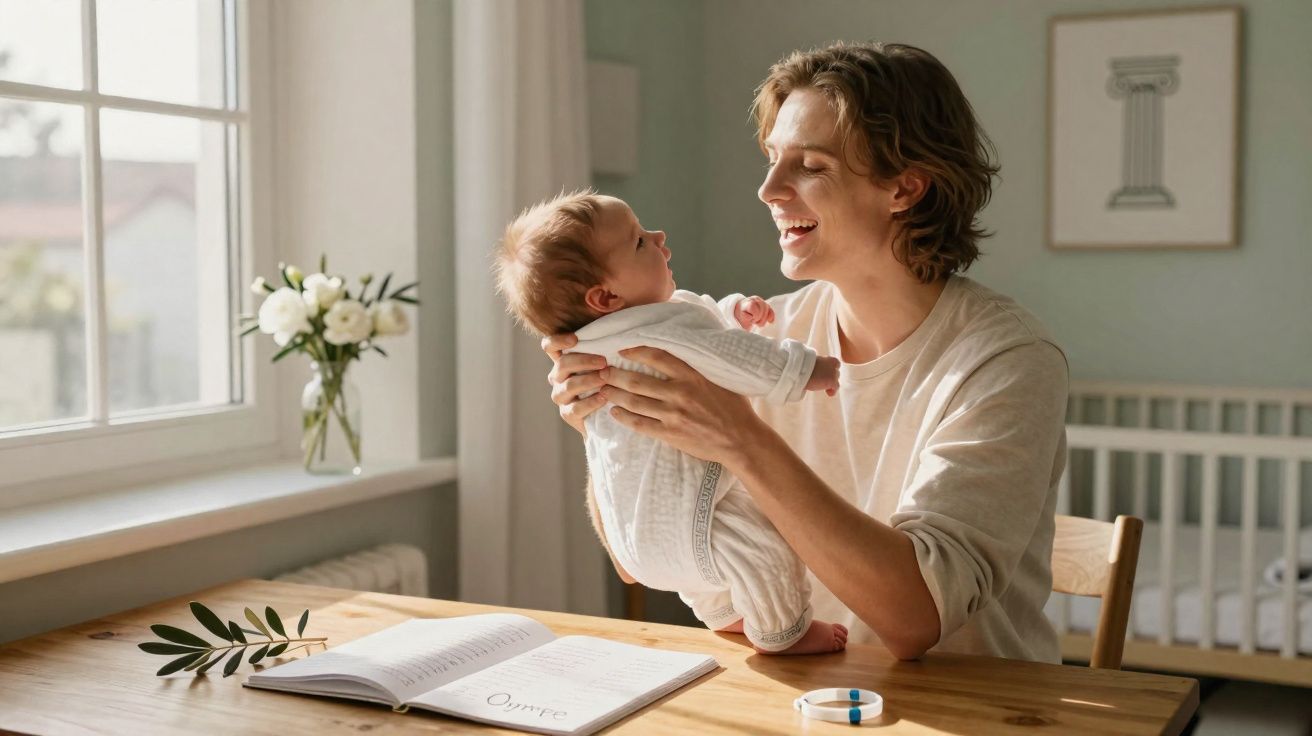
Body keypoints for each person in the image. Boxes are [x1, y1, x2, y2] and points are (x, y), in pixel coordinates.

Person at [543, 42, 1069, 663]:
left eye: (811, 166)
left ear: (904, 188)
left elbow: (914, 621)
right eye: (771, 159)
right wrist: (604, 423)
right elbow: (641, 561)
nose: (768, 189)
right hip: (807, 696)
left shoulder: (1004, 360)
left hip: (975, 710)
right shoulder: (754, 336)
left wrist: (740, 437)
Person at [493, 190, 847, 654]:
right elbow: (731, 355)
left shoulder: (596, 349)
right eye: (639, 241)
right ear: (605, 296)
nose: (658, 236)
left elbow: (701, 323)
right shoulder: (661, 330)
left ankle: (722, 612)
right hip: (696, 522)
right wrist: (809, 370)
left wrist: (732, 312)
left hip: (635, 539)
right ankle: (784, 632)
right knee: (766, 550)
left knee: (716, 563)